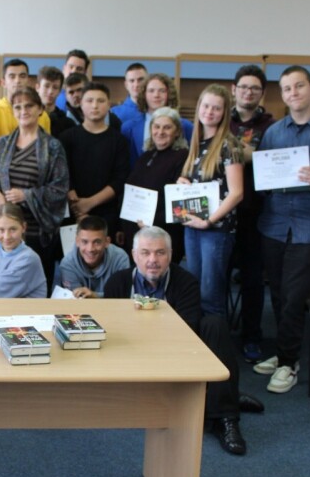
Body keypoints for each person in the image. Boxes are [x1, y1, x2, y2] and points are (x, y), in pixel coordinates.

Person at [104, 226, 264, 455]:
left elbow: (186, 333)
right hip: (133, 358)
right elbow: (114, 331)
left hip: (174, 353)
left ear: (170, 255)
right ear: (134, 255)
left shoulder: (186, 282)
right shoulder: (117, 283)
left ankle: (226, 418)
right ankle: (221, 395)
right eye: (146, 253)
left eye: (160, 253)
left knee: (214, 324)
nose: (153, 260)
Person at [251, 65, 310, 394]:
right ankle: (284, 353)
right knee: (278, 294)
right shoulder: (274, 133)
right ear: (282, 95)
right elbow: (262, 177)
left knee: (294, 297)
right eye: (287, 88)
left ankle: (288, 363)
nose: (293, 93)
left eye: (299, 86)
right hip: (274, 224)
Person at [0, 87, 69, 290]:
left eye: (29, 106)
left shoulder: (52, 147)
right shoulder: (2, 144)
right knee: (1, 287)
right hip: (4, 232)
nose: (23, 111)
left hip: (37, 233)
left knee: (33, 290)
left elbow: (60, 188)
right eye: (18, 107)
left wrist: (26, 195)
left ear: (40, 109)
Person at [178, 84, 243, 317]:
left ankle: (216, 340)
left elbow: (237, 192)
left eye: (216, 108)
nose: (209, 112)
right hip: (193, 225)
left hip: (216, 230)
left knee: (211, 296)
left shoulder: (228, 144)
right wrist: (182, 181)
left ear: (225, 112)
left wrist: (209, 221)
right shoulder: (196, 141)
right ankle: (198, 338)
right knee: (195, 291)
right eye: (206, 106)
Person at [229, 64, 275, 363]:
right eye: (243, 87)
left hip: (255, 214)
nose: (248, 92)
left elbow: (274, 164)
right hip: (220, 213)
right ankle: (216, 335)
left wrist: (246, 155)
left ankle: (252, 338)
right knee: (215, 278)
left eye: (254, 88)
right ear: (234, 89)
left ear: (262, 93)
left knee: (252, 280)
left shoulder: (272, 127)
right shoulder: (221, 118)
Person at [119, 107, 189, 262]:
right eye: (156, 126)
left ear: (177, 131)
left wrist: (152, 222)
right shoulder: (146, 156)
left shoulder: (183, 157)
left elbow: (180, 206)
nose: (160, 132)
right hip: (136, 232)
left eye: (167, 127)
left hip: (163, 234)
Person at [59, 82, 129, 234]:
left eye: (101, 101)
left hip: (106, 214)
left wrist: (89, 203)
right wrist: (77, 207)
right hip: (72, 213)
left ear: (109, 105)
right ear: (81, 104)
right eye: (89, 100)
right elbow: (61, 173)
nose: (95, 106)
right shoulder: (66, 137)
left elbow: (119, 180)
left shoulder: (119, 141)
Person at [0, 58, 51, 169]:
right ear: (3, 82)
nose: (17, 81)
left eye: (22, 76)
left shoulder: (41, 115)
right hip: (0, 177)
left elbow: (47, 153)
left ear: (28, 80)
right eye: (12, 76)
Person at [122, 73, 193, 167]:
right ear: (144, 94)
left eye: (162, 91)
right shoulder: (128, 128)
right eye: (151, 91)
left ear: (169, 94)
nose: (156, 95)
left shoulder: (186, 126)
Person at [60, 215, 128, 298]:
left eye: (97, 242)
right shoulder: (67, 264)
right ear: (77, 241)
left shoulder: (120, 258)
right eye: (85, 242)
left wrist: (95, 296)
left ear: (107, 242)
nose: (90, 249)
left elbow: (122, 296)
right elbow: (75, 299)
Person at [35, 66, 74, 139]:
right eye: (46, 86)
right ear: (37, 87)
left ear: (59, 91)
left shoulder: (68, 124)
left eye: (55, 87)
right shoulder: (28, 118)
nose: (50, 91)